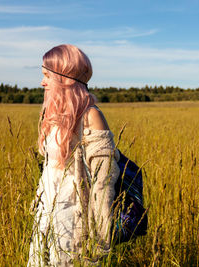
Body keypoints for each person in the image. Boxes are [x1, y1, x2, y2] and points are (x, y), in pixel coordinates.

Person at [28, 44, 120, 266]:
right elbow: (50, 171)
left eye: (46, 75)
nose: (42, 82)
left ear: (64, 78)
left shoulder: (91, 117)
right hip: (45, 218)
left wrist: (100, 235)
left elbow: (104, 181)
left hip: (73, 224)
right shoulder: (54, 115)